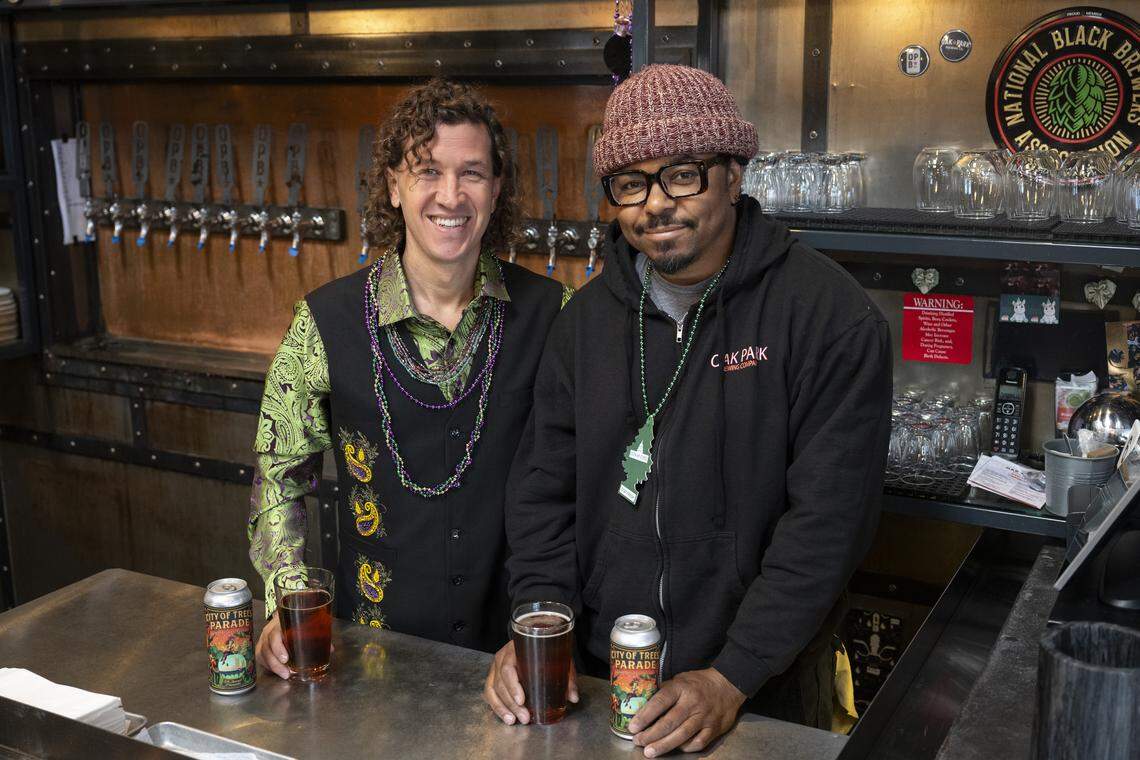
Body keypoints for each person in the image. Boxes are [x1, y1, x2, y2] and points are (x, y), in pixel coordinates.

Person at [484, 64, 891, 755]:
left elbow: (828, 523)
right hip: (600, 686)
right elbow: (542, 494)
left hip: (765, 692)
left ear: (734, 175)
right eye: (631, 182)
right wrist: (540, 623)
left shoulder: (828, 317)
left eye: (682, 174)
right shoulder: (581, 326)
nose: (655, 204)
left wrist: (733, 675)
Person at [249, 78, 570, 679]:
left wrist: (548, 622)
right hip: (364, 660)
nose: (451, 195)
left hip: (512, 659)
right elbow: (279, 477)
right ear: (394, 186)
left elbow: (580, 485)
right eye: (428, 171)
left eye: (472, 173)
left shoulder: (556, 313)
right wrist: (286, 603)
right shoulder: (322, 322)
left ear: (496, 190)